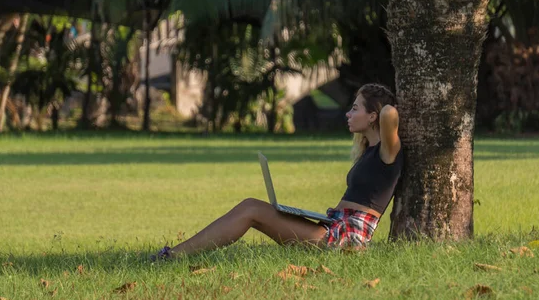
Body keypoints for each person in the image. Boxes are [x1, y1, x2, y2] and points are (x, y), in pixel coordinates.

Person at [154, 83, 403, 259]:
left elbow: (389, 113)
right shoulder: (367, 151)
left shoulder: (387, 152)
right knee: (253, 207)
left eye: (355, 108)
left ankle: (174, 256)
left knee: (251, 208)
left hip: (347, 239)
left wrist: (380, 103)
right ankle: (177, 254)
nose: (348, 114)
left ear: (373, 116)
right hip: (334, 226)